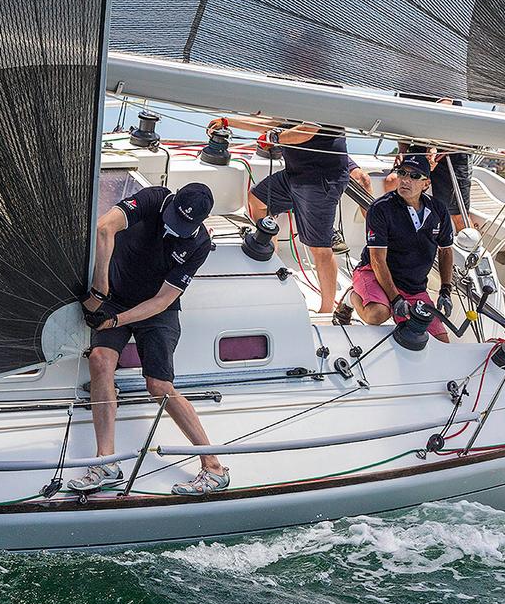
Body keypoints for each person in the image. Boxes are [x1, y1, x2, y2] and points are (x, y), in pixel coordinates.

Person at [72, 182, 230, 496]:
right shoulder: (153, 199)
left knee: (159, 386)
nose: (174, 228)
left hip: (158, 310)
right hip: (114, 295)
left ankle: (213, 467)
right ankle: (107, 461)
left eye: (183, 226)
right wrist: (100, 290)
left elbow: (162, 300)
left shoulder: (199, 243)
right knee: (100, 360)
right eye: (174, 219)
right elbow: (104, 229)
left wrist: (115, 320)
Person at [208, 116, 349, 313]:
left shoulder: (321, 102)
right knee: (256, 200)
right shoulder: (293, 101)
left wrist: (274, 137)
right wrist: (227, 121)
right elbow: (268, 123)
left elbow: (307, 129)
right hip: (295, 175)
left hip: (320, 180)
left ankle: (327, 311)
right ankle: (271, 254)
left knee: (320, 249)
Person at [343, 153, 455, 342]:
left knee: (442, 342)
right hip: (373, 273)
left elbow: (446, 250)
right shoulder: (380, 209)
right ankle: (350, 298)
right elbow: (377, 260)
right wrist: (395, 299)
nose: (405, 180)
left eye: (414, 176)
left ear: (426, 184)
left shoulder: (439, 210)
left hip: (413, 286)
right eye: (402, 173)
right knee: (378, 313)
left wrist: (445, 289)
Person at [382, 96, 474, 231]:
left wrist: (433, 144)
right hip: (422, 146)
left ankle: (473, 250)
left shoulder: (444, 77)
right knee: (392, 182)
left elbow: (444, 106)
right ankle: (402, 234)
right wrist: (402, 150)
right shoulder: (407, 82)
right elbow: (404, 121)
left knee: (457, 215)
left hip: (453, 148)